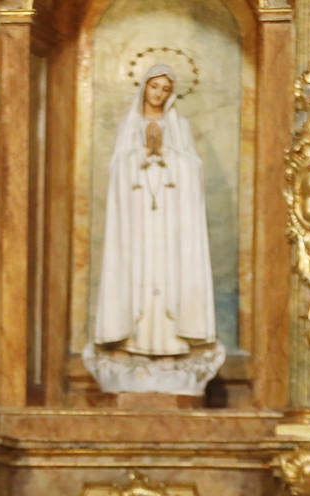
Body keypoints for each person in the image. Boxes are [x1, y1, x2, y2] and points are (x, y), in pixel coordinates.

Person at [93, 64, 216, 356]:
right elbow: (117, 169)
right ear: (144, 87)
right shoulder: (130, 125)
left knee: (168, 268)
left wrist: (167, 157)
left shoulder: (179, 126)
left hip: (171, 217)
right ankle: (134, 339)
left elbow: (192, 168)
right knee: (138, 269)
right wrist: (140, 158)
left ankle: (173, 341)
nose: (158, 94)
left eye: (165, 89)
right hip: (138, 218)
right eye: (154, 86)